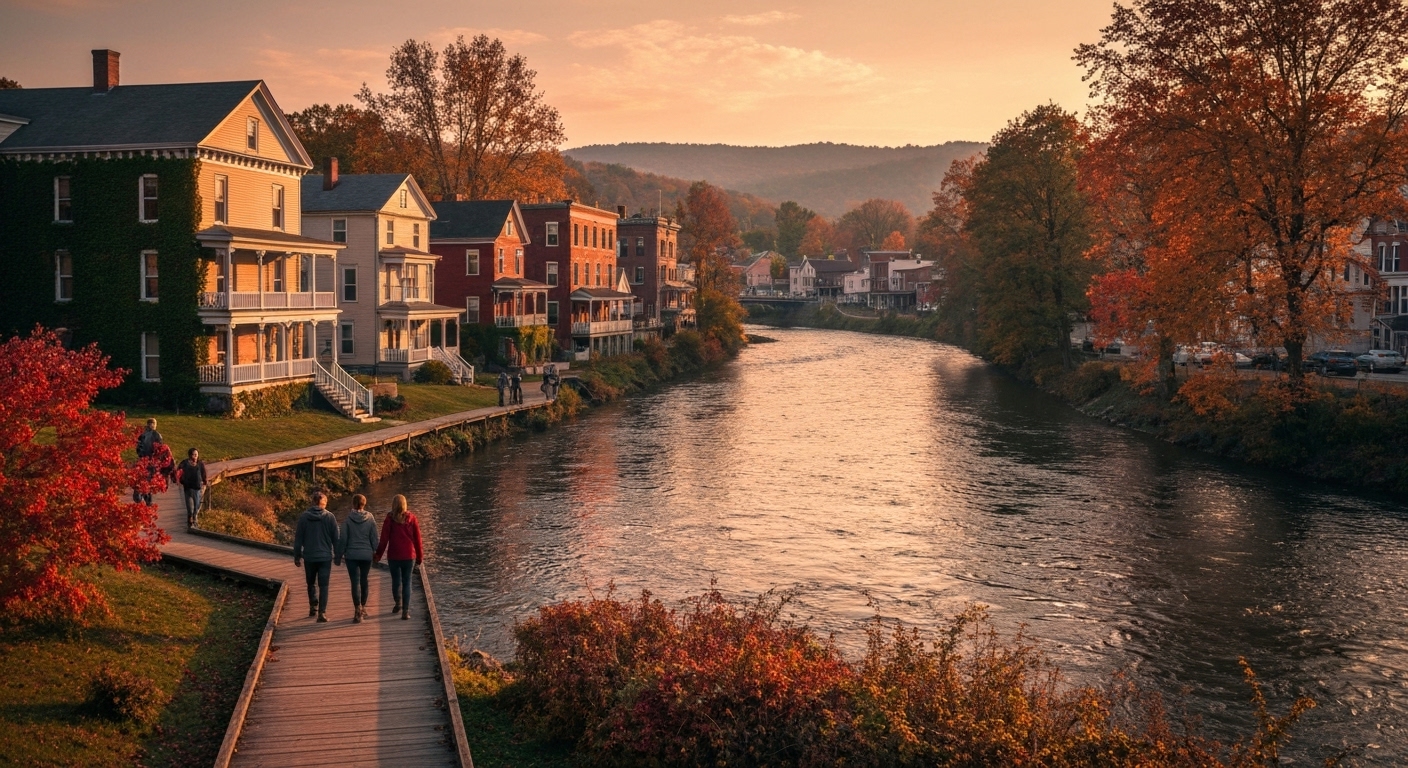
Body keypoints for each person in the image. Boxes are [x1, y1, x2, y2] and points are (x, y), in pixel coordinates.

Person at [373, 494, 422, 621]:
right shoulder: (412, 518)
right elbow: (418, 540)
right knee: (407, 582)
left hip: (394, 555)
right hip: (409, 556)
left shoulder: (389, 519)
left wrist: (378, 555)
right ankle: (405, 611)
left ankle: (398, 603)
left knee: (396, 581)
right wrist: (420, 557)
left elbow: (384, 540)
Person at [293, 490, 339, 622]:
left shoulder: (304, 517)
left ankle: (313, 605)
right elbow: (336, 538)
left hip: (309, 557)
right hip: (325, 557)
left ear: (313, 502)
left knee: (311, 583)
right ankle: (322, 613)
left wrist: (297, 555)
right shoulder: (330, 517)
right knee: (324, 585)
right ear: (324, 503)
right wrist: (337, 555)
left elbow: (298, 539)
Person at [335, 494, 379, 624]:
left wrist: (338, 555)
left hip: (352, 555)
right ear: (364, 504)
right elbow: (374, 538)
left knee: (355, 582)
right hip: (366, 555)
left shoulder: (348, 520)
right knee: (364, 580)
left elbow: (343, 540)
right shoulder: (370, 518)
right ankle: (363, 607)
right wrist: (376, 552)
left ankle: (357, 609)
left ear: (353, 504)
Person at [175, 448, 209, 527]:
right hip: (188, 487)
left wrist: (205, 481)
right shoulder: (184, 463)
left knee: (197, 504)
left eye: (196, 455)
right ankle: (190, 519)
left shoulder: (200, 464)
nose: (195, 456)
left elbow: (203, 473)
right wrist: (181, 480)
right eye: (193, 454)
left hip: (197, 487)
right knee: (189, 506)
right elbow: (178, 472)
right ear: (190, 455)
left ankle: (195, 517)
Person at [133, 418, 163, 503]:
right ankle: (144, 495)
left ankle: (145, 496)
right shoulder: (153, 435)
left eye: (154, 424)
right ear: (149, 424)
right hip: (148, 460)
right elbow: (139, 446)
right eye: (151, 424)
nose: (153, 425)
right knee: (147, 478)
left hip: (148, 460)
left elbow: (159, 448)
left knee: (147, 478)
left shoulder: (152, 435)